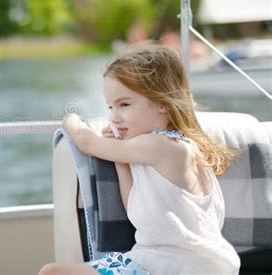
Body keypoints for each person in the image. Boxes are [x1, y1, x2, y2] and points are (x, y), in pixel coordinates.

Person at [39, 43, 241, 275]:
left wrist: (71, 119)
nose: (114, 117)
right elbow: (136, 210)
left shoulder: (157, 146)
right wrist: (120, 158)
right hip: (183, 264)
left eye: (124, 104)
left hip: (170, 265)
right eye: (110, 107)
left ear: (163, 104)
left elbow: (86, 143)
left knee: (51, 272)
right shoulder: (177, 147)